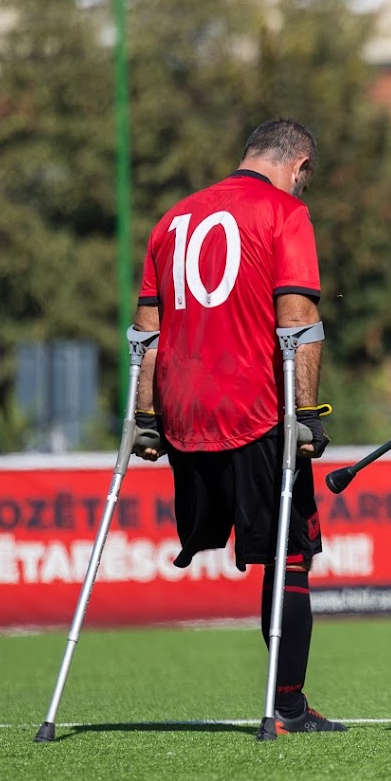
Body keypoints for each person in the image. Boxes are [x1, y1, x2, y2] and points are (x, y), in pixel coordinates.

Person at [131, 118, 342, 735]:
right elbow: (298, 319)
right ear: (299, 166)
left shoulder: (172, 218)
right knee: (291, 551)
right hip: (254, 412)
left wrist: (146, 418)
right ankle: (289, 706)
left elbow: (146, 329)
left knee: (276, 547)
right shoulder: (284, 213)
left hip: (182, 414)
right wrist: (305, 414)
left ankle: (289, 702)